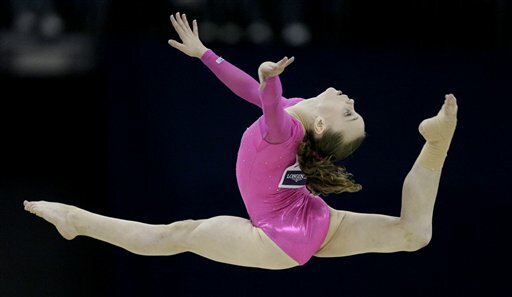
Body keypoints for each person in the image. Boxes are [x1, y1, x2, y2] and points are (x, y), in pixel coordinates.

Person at [24, 12, 458, 270]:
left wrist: (270, 78)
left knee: (177, 234)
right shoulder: (295, 113)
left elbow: (267, 104)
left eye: (349, 113)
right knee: (412, 234)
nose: (350, 100)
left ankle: (76, 220)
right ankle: (436, 144)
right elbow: (254, 94)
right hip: (316, 220)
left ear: (321, 129)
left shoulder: (285, 131)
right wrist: (206, 55)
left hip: (276, 238)